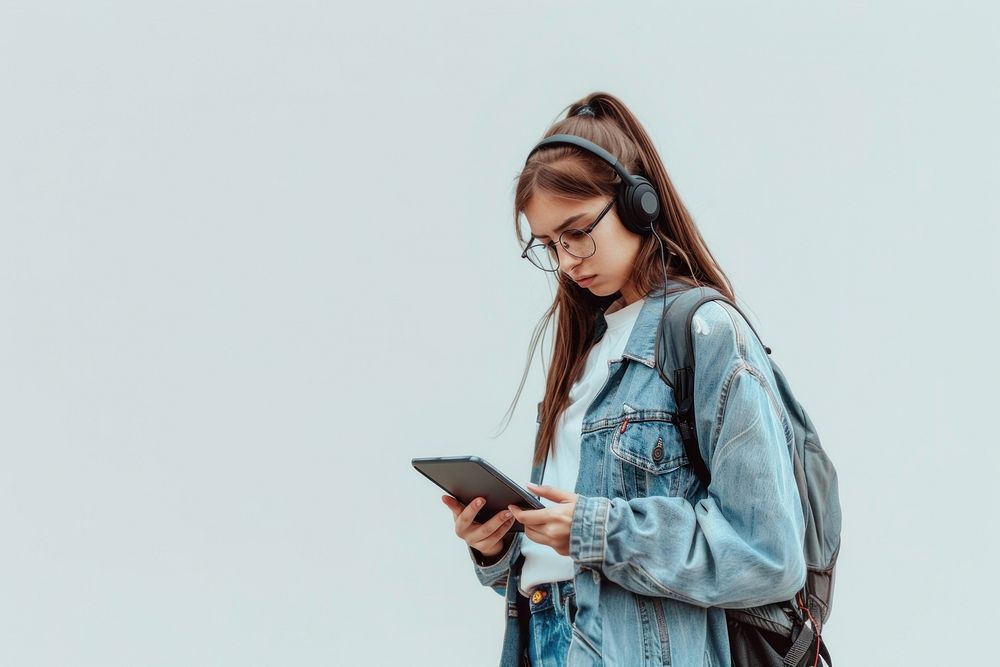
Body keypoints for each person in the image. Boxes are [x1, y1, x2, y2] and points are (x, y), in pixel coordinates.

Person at [441, 92, 807, 667]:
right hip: (545, 637)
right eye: (550, 245)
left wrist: (593, 528)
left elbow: (766, 554)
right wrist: (503, 548)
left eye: (578, 231)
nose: (567, 260)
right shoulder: (582, 354)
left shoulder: (705, 332)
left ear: (639, 204)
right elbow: (571, 561)